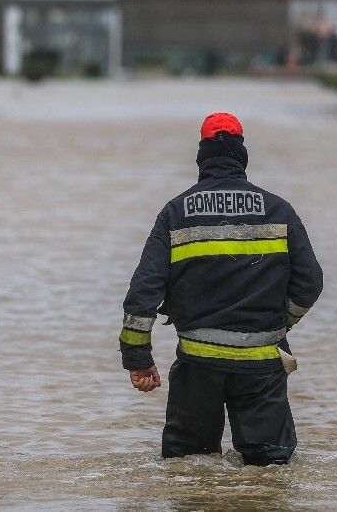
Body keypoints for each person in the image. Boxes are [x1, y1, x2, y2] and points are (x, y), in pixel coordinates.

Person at [118, 112, 324, 466]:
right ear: (242, 156)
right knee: (269, 470)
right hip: (262, 364)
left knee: (188, 466)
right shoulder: (278, 211)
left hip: (198, 364)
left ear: (201, 158)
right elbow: (311, 283)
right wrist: (280, 323)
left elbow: (143, 292)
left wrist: (138, 358)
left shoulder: (176, 212)